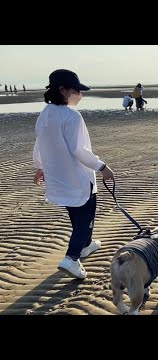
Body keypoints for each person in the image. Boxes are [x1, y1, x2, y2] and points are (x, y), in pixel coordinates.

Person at [33, 69, 114, 280]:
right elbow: (79, 150)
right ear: (63, 90)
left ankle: (86, 245)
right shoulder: (72, 116)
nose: (80, 94)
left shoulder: (45, 114)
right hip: (78, 179)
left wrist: (40, 166)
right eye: (76, 90)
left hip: (59, 178)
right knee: (85, 219)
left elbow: (39, 144)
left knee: (75, 214)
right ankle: (71, 258)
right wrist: (102, 167)